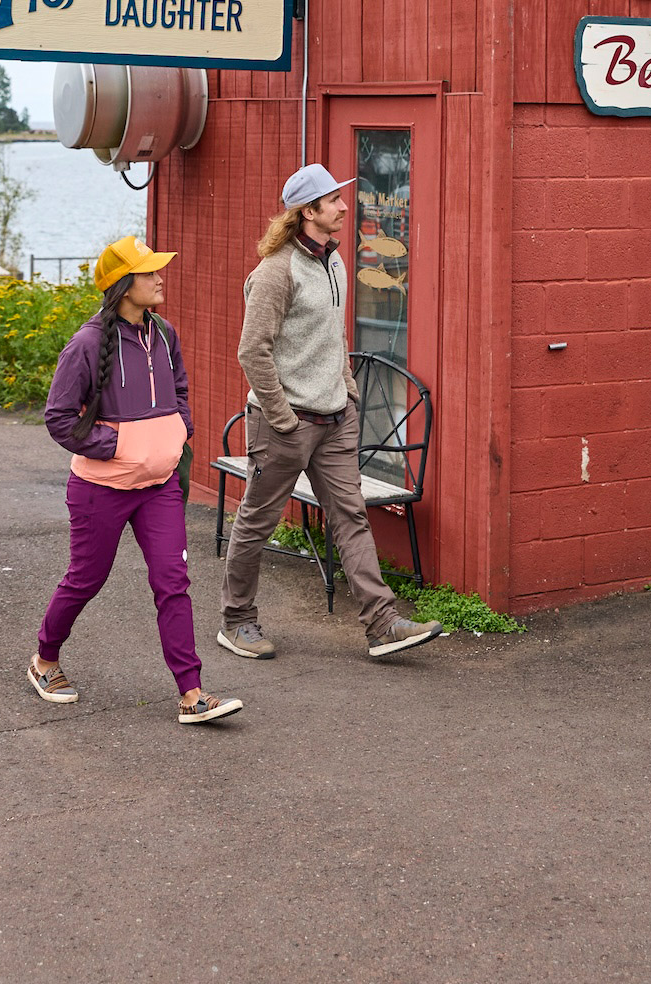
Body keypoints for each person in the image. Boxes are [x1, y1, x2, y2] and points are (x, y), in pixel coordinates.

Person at [219, 164, 442, 662]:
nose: (345, 206)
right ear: (308, 211)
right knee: (258, 520)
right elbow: (252, 351)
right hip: (286, 423)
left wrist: (347, 395)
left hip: (335, 419)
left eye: (342, 198)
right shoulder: (276, 271)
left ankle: (383, 625)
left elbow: (334, 338)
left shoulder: (335, 263)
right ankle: (237, 622)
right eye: (334, 200)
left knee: (351, 517)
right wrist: (281, 417)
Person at [31, 234, 243, 728]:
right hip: (99, 490)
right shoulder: (85, 344)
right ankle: (45, 659)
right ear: (123, 286)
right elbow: (59, 418)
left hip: (159, 487)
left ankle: (191, 694)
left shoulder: (164, 334)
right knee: (87, 579)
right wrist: (121, 448)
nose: (159, 277)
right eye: (148, 272)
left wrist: (177, 432)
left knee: (173, 582)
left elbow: (181, 390)